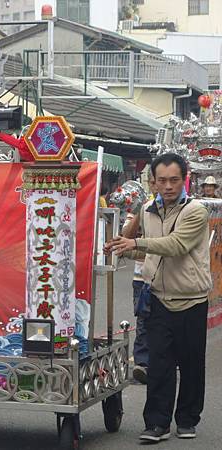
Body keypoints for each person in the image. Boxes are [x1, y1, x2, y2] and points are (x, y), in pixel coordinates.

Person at [105, 153, 211, 443]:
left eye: (174, 180)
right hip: (159, 297)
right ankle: (157, 424)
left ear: (184, 179)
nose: (168, 186)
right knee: (159, 364)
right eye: (161, 180)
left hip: (191, 298)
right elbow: (152, 251)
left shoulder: (195, 211)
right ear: (153, 182)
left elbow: (176, 245)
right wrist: (124, 248)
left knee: (190, 363)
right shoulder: (150, 210)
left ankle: (187, 419)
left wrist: (136, 241)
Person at [121, 174, 156, 385]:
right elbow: (125, 236)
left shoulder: (179, 210)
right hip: (141, 276)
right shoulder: (138, 208)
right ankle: (142, 364)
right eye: (156, 181)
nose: (162, 186)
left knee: (165, 322)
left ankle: (164, 362)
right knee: (143, 320)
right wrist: (140, 212)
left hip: (168, 276)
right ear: (151, 184)